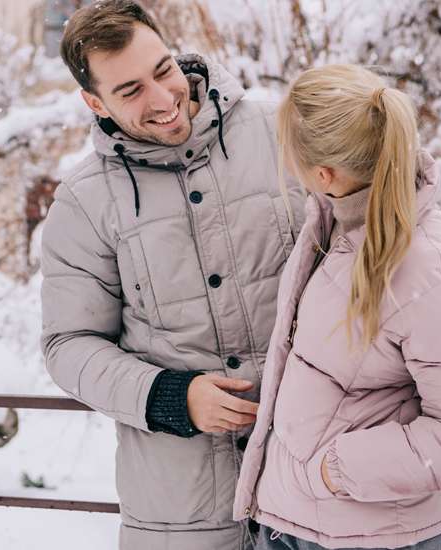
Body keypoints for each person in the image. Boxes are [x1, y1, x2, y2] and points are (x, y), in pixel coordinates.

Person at [40, 1, 305, 549]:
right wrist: (169, 397)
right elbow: (69, 344)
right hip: (182, 512)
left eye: (163, 71)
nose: (163, 100)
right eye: (131, 90)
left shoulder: (287, 134)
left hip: (309, 482)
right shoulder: (84, 203)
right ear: (95, 102)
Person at [233, 64, 441, 549]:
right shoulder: (333, 223)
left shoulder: (425, 269)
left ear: (324, 173)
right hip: (295, 521)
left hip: (371, 535)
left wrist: (335, 471)